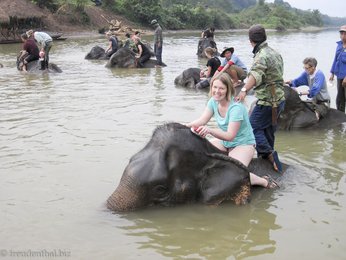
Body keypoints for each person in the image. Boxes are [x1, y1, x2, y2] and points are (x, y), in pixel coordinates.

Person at [186, 73, 278, 189]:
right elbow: (202, 120)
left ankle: (263, 181)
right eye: (215, 87)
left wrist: (209, 130)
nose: (217, 91)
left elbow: (230, 135)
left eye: (221, 88)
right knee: (200, 153)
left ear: (228, 89)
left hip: (243, 143)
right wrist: (183, 126)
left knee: (233, 173)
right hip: (224, 142)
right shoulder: (213, 102)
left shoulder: (236, 108)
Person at [236, 24, 285, 173]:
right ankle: (267, 160)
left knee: (251, 128)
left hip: (267, 102)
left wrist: (244, 90)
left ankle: (270, 155)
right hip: (279, 100)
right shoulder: (275, 53)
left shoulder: (261, 55)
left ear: (251, 40)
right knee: (268, 131)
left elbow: (255, 75)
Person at [329, 25, 346, 113]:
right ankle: (341, 119)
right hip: (339, 76)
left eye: (345, 34)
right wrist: (332, 73)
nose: (343, 36)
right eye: (342, 33)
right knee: (339, 99)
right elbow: (335, 59)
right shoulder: (339, 45)